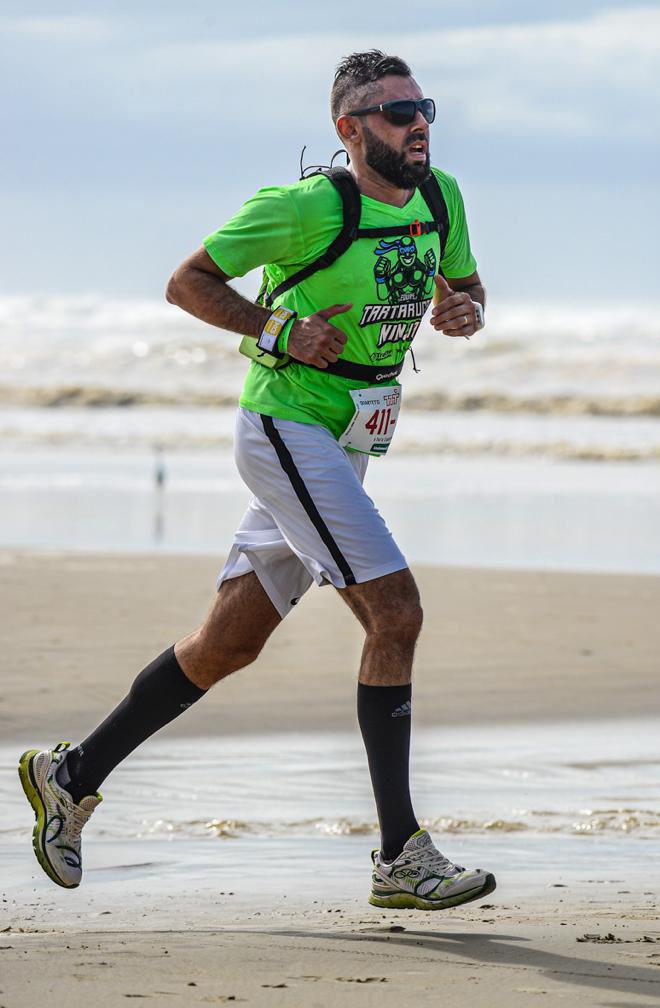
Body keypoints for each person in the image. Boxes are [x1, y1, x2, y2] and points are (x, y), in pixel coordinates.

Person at [19, 50, 495, 911]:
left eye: (425, 107)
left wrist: (463, 311)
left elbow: (464, 287)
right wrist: (278, 329)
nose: (418, 124)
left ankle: (72, 774)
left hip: (347, 439)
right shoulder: (303, 208)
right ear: (350, 129)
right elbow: (187, 282)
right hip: (286, 428)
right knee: (396, 612)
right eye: (397, 113)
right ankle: (401, 854)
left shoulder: (440, 197)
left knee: (226, 644)